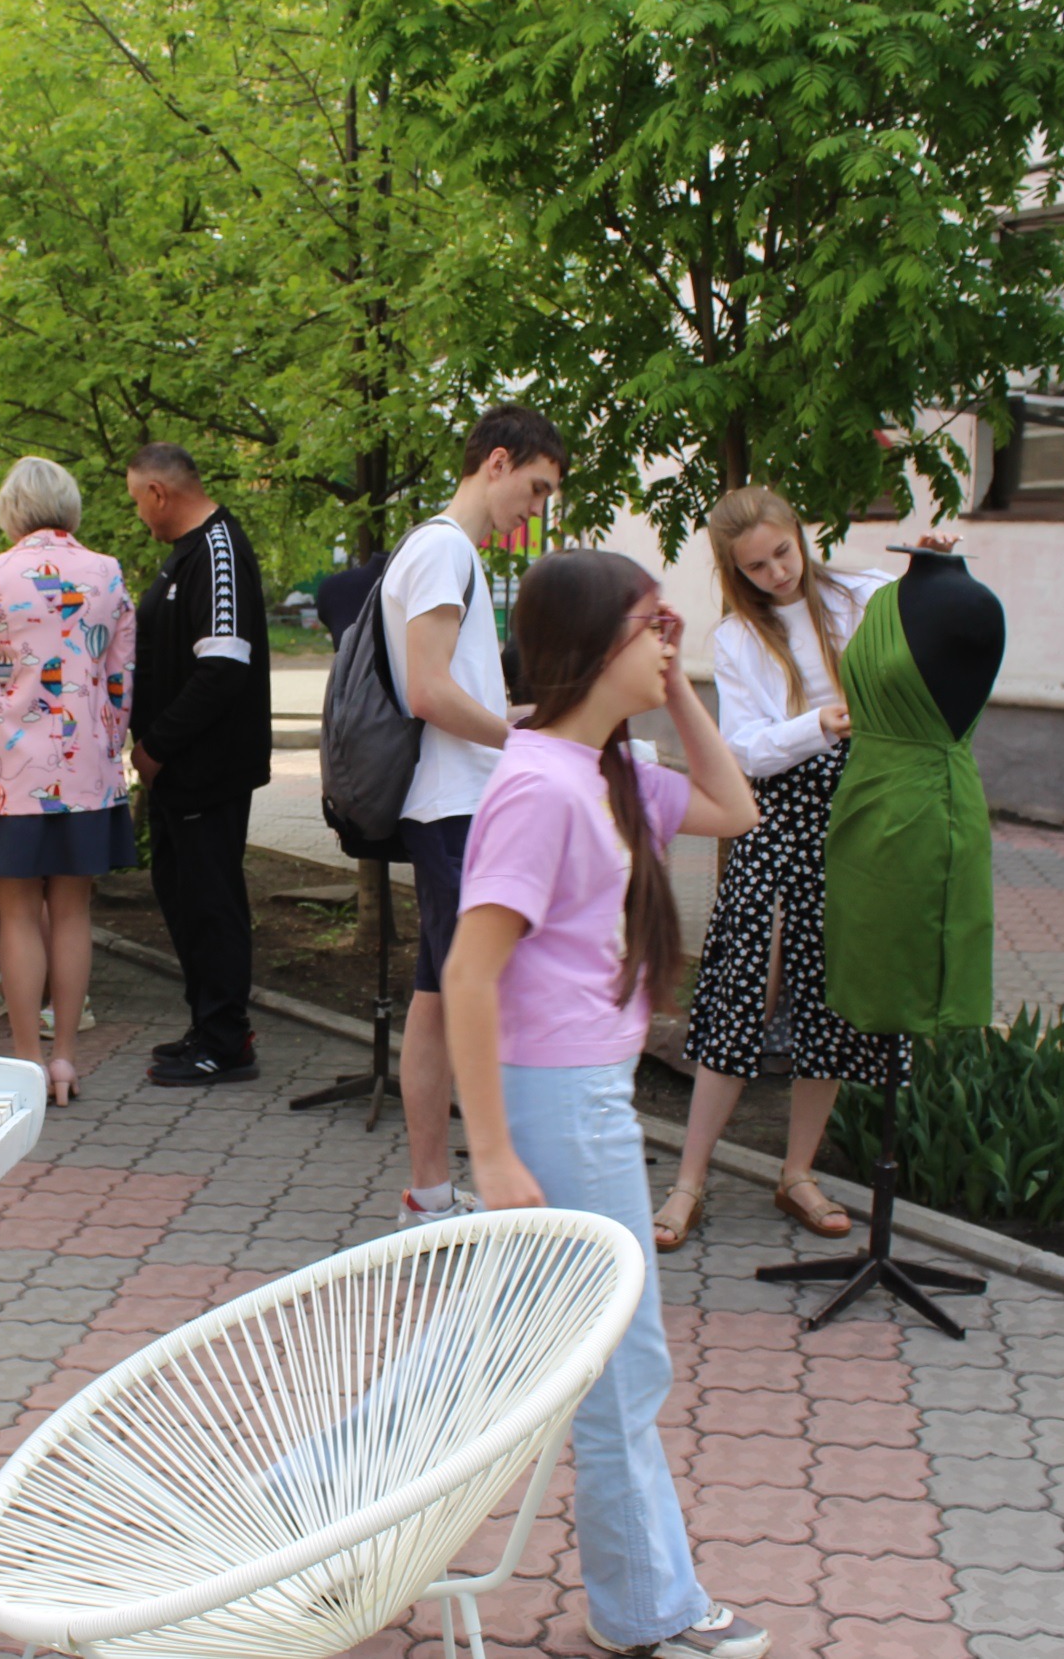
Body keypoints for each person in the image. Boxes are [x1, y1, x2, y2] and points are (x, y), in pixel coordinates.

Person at [440, 549, 766, 1659]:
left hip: (579, 1099)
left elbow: (735, 805)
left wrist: (675, 688)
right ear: (587, 644)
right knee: (616, 1365)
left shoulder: (605, 774)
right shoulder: (539, 785)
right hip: (557, 1106)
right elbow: (466, 978)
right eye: (650, 625)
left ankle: (289, 1529)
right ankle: (650, 1611)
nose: (670, 637)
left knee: (467, 1368)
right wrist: (487, 1151)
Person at [659, 491, 940, 1251]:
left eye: (783, 553)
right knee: (747, 987)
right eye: (756, 566)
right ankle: (689, 1179)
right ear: (735, 569)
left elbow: (938, 636)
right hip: (779, 822)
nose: (776, 573)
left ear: (801, 535)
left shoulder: (866, 595)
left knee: (836, 1001)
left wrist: (939, 569)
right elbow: (742, 750)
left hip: (861, 821)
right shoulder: (738, 638)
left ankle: (798, 1173)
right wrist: (821, 723)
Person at [383, 403, 567, 1228]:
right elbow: (428, 690)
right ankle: (492, 1192)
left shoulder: (441, 550)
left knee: (438, 998)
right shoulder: (443, 548)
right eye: (535, 487)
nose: (534, 509)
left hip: (454, 806)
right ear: (498, 462)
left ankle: (431, 1194)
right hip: (456, 808)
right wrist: (516, 736)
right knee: (475, 996)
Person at [0, 457, 137, 1109]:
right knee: (73, 911)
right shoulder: (108, 573)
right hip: (87, 768)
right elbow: (121, 678)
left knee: (19, 911)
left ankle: (27, 1062)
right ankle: (65, 1059)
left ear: (12, 510)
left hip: (8, 771)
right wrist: (110, 749)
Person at [125, 441, 272, 1085]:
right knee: (180, 891)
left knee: (211, 899)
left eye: (137, 502)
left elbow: (222, 666)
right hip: (178, 770)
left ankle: (226, 1040)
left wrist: (157, 745)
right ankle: (205, 1023)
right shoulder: (183, 556)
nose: (139, 515)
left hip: (207, 767)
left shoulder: (219, 551)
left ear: (159, 492)